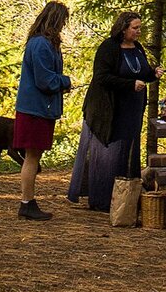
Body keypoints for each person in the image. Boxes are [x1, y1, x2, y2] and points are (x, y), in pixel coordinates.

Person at [68, 11, 158, 213]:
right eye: (135, 28)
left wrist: (152, 74)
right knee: (108, 154)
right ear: (123, 28)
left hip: (132, 109)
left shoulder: (138, 48)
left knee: (127, 152)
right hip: (109, 109)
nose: (138, 31)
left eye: (139, 28)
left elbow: (140, 74)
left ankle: (126, 197)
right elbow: (102, 77)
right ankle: (102, 198)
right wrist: (129, 85)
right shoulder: (109, 48)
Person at [9, 1, 73, 222]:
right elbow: (44, 79)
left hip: (39, 108)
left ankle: (28, 201)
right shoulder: (40, 45)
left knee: (34, 156)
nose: (64, 25)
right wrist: (65, 81)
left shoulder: (45, 44)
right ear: (55, 20)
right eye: (63, 21)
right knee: (32, 156)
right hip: (34, 109)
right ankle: (26, 202)